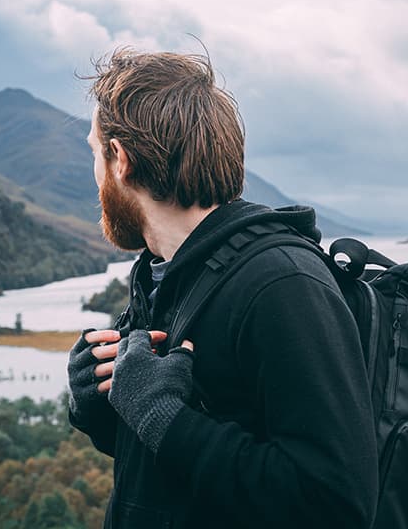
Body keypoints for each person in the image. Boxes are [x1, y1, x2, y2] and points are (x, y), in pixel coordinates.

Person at [66, 48, 378, 528]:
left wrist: (160, 414)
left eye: (94, 152)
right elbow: (176, 465)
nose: (95, 173)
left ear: (121, 161)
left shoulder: (283, 284)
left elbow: (334, 503)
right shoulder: (160, 275)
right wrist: (101, 403)